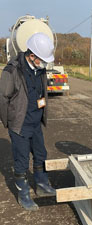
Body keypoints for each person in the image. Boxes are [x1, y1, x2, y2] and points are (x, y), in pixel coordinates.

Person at [0, 32, 56, 211]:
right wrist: (9, 122)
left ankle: (42, 184)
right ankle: (23, 194)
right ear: (32, 55)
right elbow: (2, 98)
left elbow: (42, 93)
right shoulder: (12, 70)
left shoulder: (40, 69)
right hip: (20, 125)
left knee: (41, 154)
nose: (44, 63)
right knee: (22, 161)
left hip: (35, 121)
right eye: (41, 59)